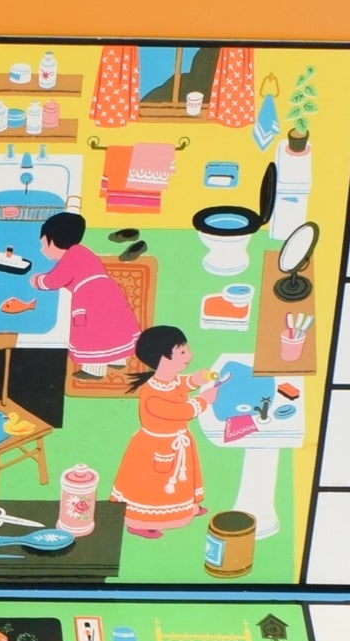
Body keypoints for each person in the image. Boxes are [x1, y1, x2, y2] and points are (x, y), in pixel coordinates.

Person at [111, 325, 216, 537]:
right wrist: (203, 400)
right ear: (163, 358)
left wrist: (197, 379)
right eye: (182, 352)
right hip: (156, 448)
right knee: (154, 486)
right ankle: (139, 521)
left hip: (176, 443)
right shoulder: (152, 393)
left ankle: (184, 508)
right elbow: (181, 411)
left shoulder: (169, 380)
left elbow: (182, 383)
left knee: (179, 481)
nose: (190, 355)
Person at [30, 211, 139, 380]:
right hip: (109, 293)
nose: (42, 249)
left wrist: (37, 280)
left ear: (55, 241)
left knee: (93, 332)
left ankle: (94, 370)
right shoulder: (83, 251)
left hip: (90, 298)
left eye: (44, 244)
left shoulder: (71, 256)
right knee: (111, 326)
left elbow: (54, 281)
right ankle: (117, 359)